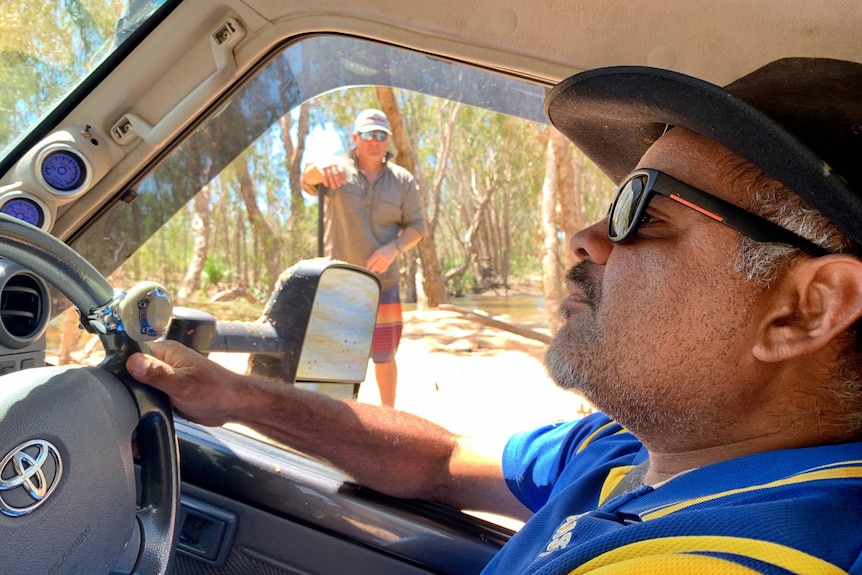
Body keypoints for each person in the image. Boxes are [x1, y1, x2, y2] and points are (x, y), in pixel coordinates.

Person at [127, 57, 862, 573]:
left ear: (806, 308)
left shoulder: (745, 550)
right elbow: (442, 462)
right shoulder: (634, 445)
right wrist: (239, 397)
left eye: (641, 209)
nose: (585, 236)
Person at [300, 109, 426, 407]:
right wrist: (318, 165)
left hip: (384, 283)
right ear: (355, 138)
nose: (375, 141)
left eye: (381, 135)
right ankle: (338, 416)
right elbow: (308, 181)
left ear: (388, 140)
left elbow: (417, 228)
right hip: (337, 283)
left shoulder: (402, 181)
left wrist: (393, 248)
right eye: (368, 134)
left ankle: (387, 416)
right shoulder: (336, 170)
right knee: (337, 356)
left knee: (384, 355)